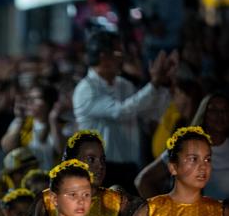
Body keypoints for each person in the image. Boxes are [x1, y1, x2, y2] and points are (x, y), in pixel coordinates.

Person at [72, 30, 176, 190]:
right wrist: (153, 84)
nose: (122, 59)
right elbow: (120, 112)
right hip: (99, 170)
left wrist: (163, 84)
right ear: (104, 57)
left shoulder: (124, 85)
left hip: (129, 167)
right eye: (119, 52)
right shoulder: (86, 89)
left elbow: (149, 112)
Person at [136, 92, 229, 201]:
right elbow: (143, 180)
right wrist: (160, 213)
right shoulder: (186, 146)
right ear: (203, 113)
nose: (220, 115)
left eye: (226, 110)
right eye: (213, 109)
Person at [2, 82, 65, 171]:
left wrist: (53, 120)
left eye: (36, 98)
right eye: (29, 98)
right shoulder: (23, 122)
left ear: (49, 102)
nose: (30, 102)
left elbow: (61, 149)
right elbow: (6, 147)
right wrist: (20, 120)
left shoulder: (61, 125)